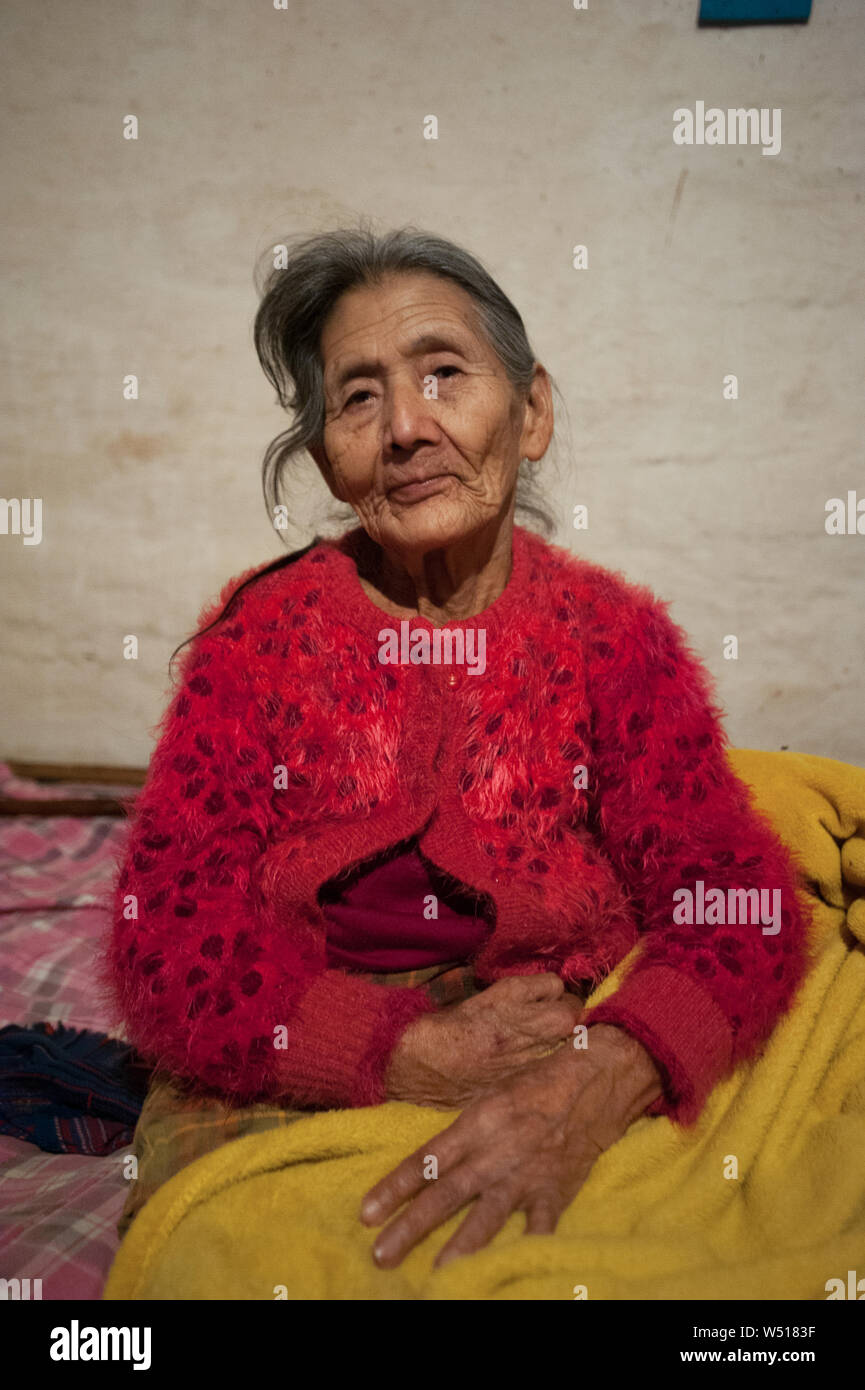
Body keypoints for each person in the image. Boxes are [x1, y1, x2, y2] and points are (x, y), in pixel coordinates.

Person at [101, 226, 814, 1271]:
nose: (404, 428)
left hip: (557, 1042)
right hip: (304, 1042)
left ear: (529, 415)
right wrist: (394, 1052)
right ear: (326, 462)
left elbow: (734, 898)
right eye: (356, 397)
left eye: (444, 374)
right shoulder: (257, 645)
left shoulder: (612, 640)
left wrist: (605, 1071)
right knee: (227, 1258)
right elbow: (163, 932)